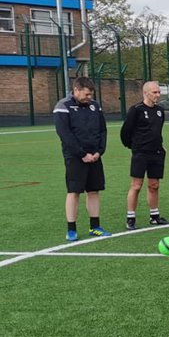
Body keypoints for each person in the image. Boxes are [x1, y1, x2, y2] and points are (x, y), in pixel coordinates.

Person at [54, 75, 109, 240]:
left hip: (95, 156)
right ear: (76, 90)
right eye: (86, 94)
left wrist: (99, 151)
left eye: (91, 94)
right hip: (75, 157)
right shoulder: (63, 106)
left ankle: (95, 227)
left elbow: (102, 130)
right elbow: (65, 134)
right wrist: (82, 154)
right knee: (74, 192)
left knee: (93, 191)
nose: (89, 97)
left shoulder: (95, 106)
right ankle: (71, 229)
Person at [119, 80, 169, 229]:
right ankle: (130, 218)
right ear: (145, 93)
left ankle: (154, 216)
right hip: (140, 153)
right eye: (155, 92)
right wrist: (134, 146)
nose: (158, 95)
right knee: (136, 185)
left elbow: (156, 131)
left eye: (159, 92)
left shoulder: (160, 111)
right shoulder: (136, 110)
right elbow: (125, 132)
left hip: (157, 153)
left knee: (154, 185)